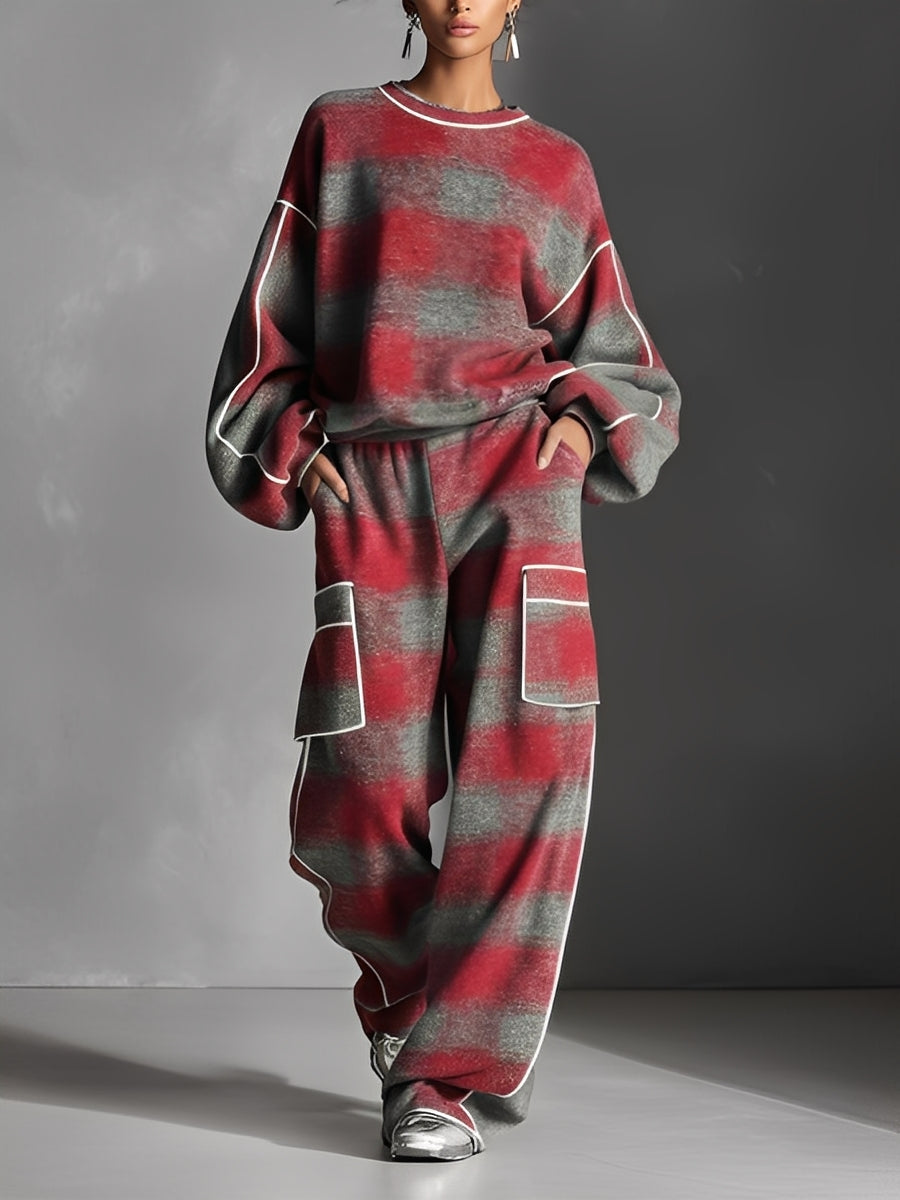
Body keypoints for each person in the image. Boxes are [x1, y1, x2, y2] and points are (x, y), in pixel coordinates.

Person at [205, 0, 681, 1163]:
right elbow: (268, 334)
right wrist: (294, 452)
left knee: (526, 771)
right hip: (374, 481)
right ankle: (419, 1010)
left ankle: (441, 1082)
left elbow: (629, 364)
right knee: (359, 783)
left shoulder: (556, 166)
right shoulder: (342, 132)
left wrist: (581, 428)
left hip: (515, 480)